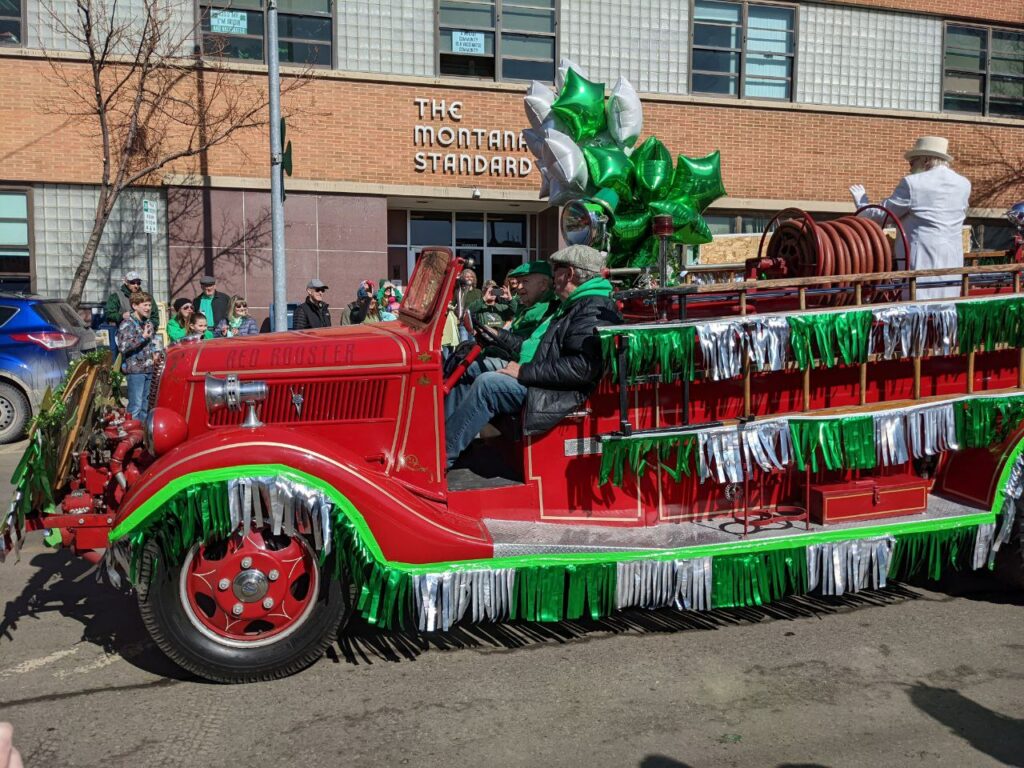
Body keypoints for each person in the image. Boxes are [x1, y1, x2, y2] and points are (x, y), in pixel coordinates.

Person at [445, 245, 620, 469]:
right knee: (472, 365)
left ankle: (440, 458)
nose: (553, 276)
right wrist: (499, 337)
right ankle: (445, 439)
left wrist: (524, 372)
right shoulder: (576, 304)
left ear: (569, 274)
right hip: (547, 381)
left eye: (556, 270)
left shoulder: (593, 307)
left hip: (560, 393)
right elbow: (539, 348)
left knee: (488, 384)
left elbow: (582, 368)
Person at [850, 136, 971, 300]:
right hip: (952, 262)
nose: (910, 167)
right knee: (946, 308)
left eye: (912, 162)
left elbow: (884, 215)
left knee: (917, 309)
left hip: (921, 261)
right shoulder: (963, 184)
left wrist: (862, 204)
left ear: (926, 160)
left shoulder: (913, 183)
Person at [444, 260, 558, 421]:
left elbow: (528, 343)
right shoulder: (529, 306)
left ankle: (446, 432)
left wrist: (498, 335)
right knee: (460, 358)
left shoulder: (549, 309)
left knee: (469, 367)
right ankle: (446, 422)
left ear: (544, 284)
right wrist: (493, 334)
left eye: (525, 282)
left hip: (523, 363)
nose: (519, 287)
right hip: (512, 356)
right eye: (518, 282)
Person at [116, 291, 159, 421]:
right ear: (135, 306)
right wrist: (142, 337)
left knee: (147, 406)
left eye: (149, 305)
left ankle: (144, 436)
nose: (148, 308)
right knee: (135, 406)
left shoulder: (148, 323)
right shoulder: (127, 324)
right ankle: (132, 436)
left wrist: (156, 353)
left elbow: (152, 343)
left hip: (149, 369)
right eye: (145, 305)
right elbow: (123, 347)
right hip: (135, 371)